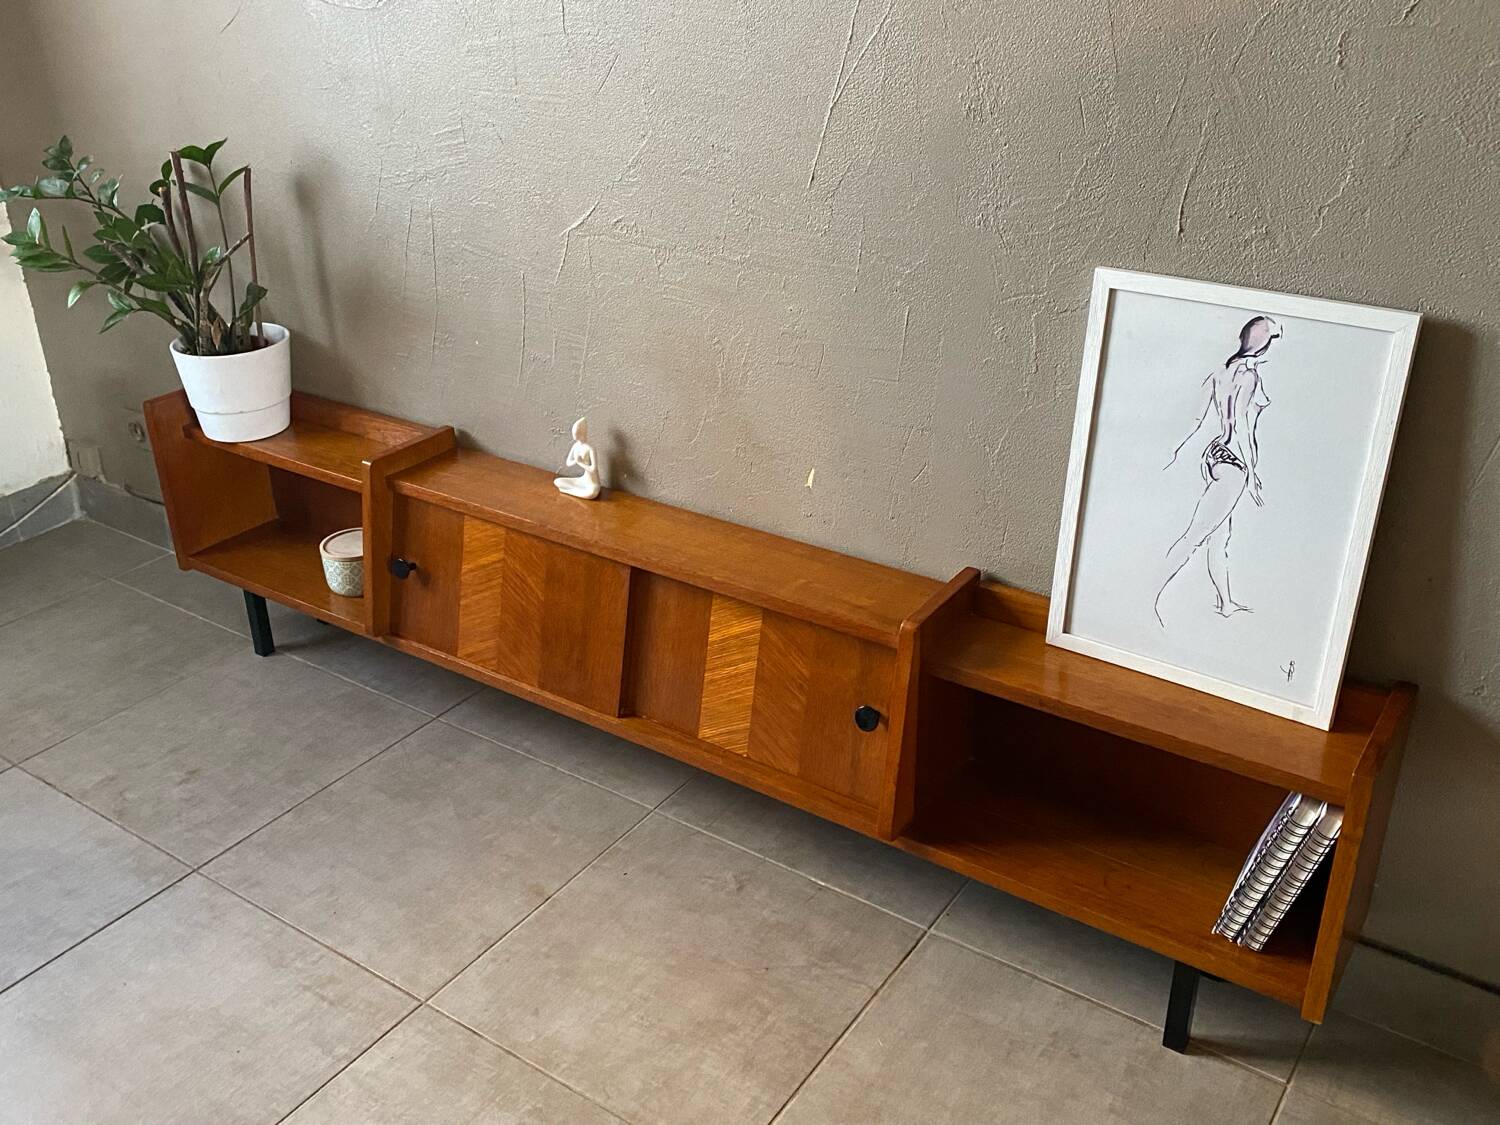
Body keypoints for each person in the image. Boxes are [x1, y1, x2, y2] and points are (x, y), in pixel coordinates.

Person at [1153, 315, 1280, 625]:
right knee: (1195, 535)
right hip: (1234, 462)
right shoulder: (1249, 377)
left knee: (1218, 536)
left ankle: (1225, 602)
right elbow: (1243, 426)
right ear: (1264, 347)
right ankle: (1148, 593)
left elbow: (1197, 419)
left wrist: (1177, 450)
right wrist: (1252, 474)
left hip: (1214, 455)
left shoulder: (1220, 372)